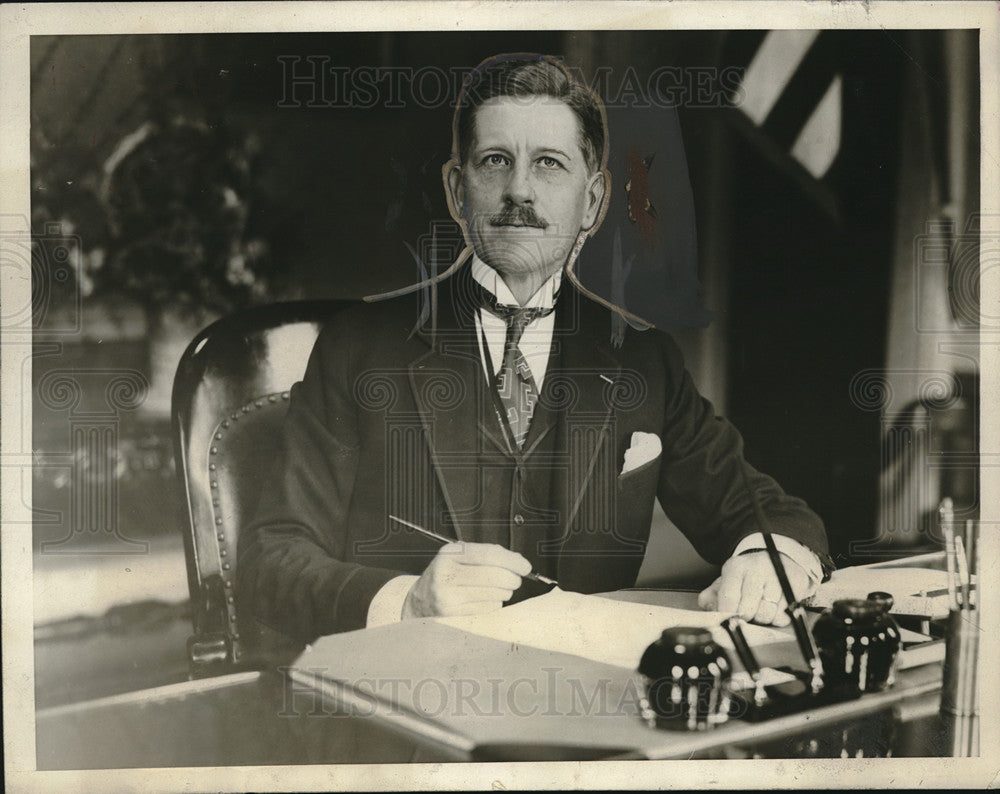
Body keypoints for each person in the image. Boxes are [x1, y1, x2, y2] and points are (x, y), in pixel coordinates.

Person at [236, 54, 833, 647]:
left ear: (594, 202)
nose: (519, 189)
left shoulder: (642, 359)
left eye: (549, 164)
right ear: (456, 189)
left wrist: (768, 557)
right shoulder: (358, 346)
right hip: (412, 702)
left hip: (588, 709)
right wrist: (407, 600)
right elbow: (270, 559)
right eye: (495, 161)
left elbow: (762, 510)